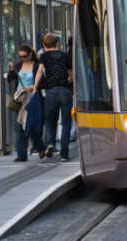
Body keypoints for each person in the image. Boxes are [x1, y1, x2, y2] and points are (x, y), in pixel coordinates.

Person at [33, 33, 73, 162]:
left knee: (50, 119)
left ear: (44, 45)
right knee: (66, 122)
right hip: (65, 90)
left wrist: (35, 86)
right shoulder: (65, 55)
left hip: (51, 91)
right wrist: (68, 80)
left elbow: (40, 71)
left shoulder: (44, 56)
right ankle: (64, 154)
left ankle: (50, 143)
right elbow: (70, 73)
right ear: (57, 44)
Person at [7, 44, 46, 162]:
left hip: (32, 98)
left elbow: (43, 83)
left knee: (29, 125)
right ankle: (23, 154)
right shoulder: (19, 65)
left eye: (24, 56)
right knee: (21, 126)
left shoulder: (36, 66)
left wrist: (32, 86)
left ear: (30, 55)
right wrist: (11, 70)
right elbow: (10, 79)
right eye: (20, 57)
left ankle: (39, 147)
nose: (22, 59)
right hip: (21, 98)